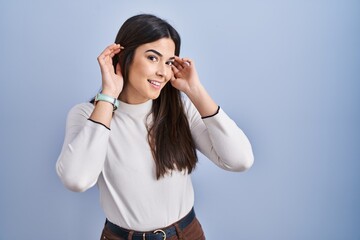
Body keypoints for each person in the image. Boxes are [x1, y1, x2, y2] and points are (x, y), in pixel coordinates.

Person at [56, 14, 254, 240]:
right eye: (152, 58)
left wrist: (195, 90)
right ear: (124, 58)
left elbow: (240, 160)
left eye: (169, 62)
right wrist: (108, 95)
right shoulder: (86, 115)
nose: (163, 71)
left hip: (186, 235)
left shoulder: (180, 111)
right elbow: (76, 180)